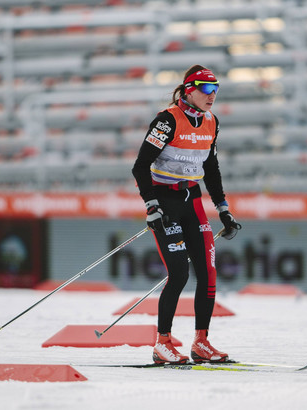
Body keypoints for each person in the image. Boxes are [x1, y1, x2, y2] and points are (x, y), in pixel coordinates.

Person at [132, 65, 241, 364]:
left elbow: (211, 169)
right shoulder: (167, 121)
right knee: (179, 273)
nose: (213, 94)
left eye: (216, 88)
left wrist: (223, 209)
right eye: (206, 89)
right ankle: (162, 343)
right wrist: (151, 205)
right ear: (189, 89)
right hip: (165, 201)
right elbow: (140, 167)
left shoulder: (211, 122)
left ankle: (201, 342)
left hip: (192, 199)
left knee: (208, 272)